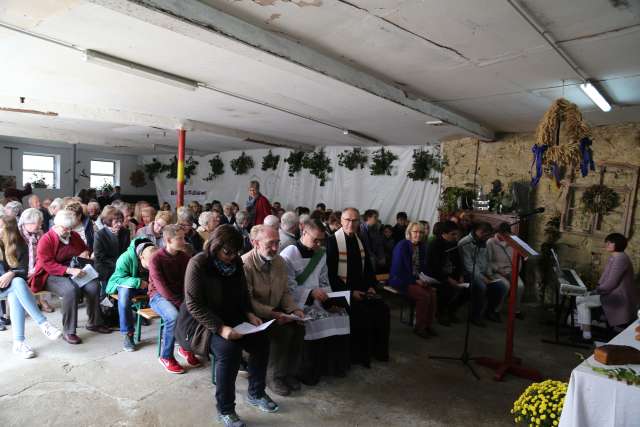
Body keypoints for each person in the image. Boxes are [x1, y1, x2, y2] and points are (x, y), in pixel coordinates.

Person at [175, 225, 278, 427]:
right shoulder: (199, 263)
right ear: (215, 245)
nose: (231, 257)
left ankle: (256, 393)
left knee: (261, 340)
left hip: (232, 315)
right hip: (202, 322)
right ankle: (226, 409)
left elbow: (242, 294)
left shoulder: (236, 263)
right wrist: (221, 328)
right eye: (227, 252)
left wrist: (249, 314)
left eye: (235, 252)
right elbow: (194, 304)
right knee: (229, 351)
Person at [281, 218, 350, 385]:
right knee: (315, 321)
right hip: (297, 302)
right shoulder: (288, 254)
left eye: (321, 240)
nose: (318, 244)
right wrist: (310, 292)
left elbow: (324, 279)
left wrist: (330, 301)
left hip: (319, 298)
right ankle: (308, 372)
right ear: (304, 232)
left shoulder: (321, 253)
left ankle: (331, 367)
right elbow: (286, 286)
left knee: (341, 315)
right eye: (315, 240)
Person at [29, 210, 111, 344]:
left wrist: (85, 253)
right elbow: (47, 264)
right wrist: (69, 270)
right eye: (65, 228)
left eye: (70, 228)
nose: (68, 231)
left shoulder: (73, 235)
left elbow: (84, 249)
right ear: (56, 225)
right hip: (49, 274)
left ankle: (94, 323)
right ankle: (69, 331)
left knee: (94, 285)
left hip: (73, 271)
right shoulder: (47, 239)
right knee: (70, 290)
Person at [243, 225, 305, 396]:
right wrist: (273, 313)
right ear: (255, 243)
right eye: (270, 244)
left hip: (275, 311)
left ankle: (289, 373)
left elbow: (284, 292)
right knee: (282, 333)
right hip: (253, 315)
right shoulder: (245, 264)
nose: (276, 248)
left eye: (277, 243)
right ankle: (273, 377)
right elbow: (248, 301)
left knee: (299, 327)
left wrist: (294, 309)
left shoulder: (279, 261)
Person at [326, 207, 390, 367]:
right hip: (341, 292)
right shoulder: (332, 242)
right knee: (362, 313)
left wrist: (371, 286)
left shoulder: (360, 240)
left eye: (355, 220)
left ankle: (378, 351)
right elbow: (330, 276)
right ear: (341, 221)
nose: (351, 223)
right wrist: (350, 292)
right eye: (348, 220)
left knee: (383, 309)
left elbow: (368, 268)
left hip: (361, 289)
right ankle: (359, 356)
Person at [0, 215, 62, 357]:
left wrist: (11, 273)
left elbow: (22, 270)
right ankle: (43, 324)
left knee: (17, 287)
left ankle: (19, 343)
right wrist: (12, 273)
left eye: (2, 227)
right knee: (17, 285)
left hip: (9, 285)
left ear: (9, 229)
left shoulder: (18, 243)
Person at [148, 224, 198, 373]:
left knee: (197, 311)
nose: (184, 241)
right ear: (168, 240)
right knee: (174, 316)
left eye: (184, 237)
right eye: (180, 239)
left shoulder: (184, 257)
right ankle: (166, 356)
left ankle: (185, 348)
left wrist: (189, 301)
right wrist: (182, 304)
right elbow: (162, 288)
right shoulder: (155, 258)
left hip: (178, 296)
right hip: (158, 297)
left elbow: (189, 281)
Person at [576, 233, 637, 341]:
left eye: (611, 242)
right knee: (579, 298)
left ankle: (586, 335)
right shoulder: (615, 257)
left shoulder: (620, 259)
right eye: (607, 241)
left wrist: (596, 291)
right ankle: (583, 329)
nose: (607, 244)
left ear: (618, 244)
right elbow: (605, 278)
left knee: (583, 302)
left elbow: (611, 283)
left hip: (618, 297)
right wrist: (596, 289)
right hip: (611, 293)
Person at [107, 238, 157, 351]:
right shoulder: (125, 258)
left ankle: (170, 329)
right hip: (128, 285)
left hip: (149, 285)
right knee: (123, 299)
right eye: (149, 265)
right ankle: (128, 334)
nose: (151, 268)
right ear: (141, 257)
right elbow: (118, 279)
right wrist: (138, 282)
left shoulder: (155, 254)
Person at [389, 222, 437, 338]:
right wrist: (415, 281)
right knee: (424, 296)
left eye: (421, 232)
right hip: (400, 280)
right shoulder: (402, 246)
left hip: (416, 279)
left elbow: (422, 268)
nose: (418, 235)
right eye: (415, 232)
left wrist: (425, 279)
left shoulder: (421, 246)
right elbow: (398, 271)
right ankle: (419, 328)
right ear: (409, 233)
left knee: (433, 293)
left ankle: (427, 325)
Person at [458, 222, 508, 327]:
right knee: (481, 286)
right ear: (479, 232)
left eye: (489, 235)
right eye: (486, 235)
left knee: (501, 286)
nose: (488, 237)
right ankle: (475, 316)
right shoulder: (465, 242)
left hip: (482, 273)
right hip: (467, 273)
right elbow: (469, 265)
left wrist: (489, 274)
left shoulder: (483, 242)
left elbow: (486, 261)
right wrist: (482, 278)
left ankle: (489, 311)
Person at [425, 220, 466, 326]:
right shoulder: (434, 245)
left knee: (468, 289)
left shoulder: (453, 244)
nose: (456, 236)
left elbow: (459, 262)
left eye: (456, 234)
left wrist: (460, 275)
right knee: (447, 289)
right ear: (444, 234)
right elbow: (434, 267)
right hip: (435, 275)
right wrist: (448, 279)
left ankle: (451, 311)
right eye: (453, 234)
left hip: (450, 273)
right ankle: (440, 313)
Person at [18, 208, 54, 313]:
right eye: (38, 224)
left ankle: (43, 301)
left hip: (36, 265)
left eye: (40, 223)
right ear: (27, 223)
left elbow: (43, 255)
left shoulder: (40, 233)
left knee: (45, 271)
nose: (40, 226)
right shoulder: (16, 234)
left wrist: (35, 269)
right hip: (20, 267)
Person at [486, 222, 526, 318]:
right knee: (505, 285)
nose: (505, 236)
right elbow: (488, 261)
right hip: (497, 272)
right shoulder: (490, 242)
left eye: (506, 234)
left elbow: (519, 260)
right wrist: (498, 270)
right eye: (502, 234)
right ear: (498, 232)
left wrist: (516, 271)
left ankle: (516, 310)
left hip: (511, 271)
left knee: (520, 286)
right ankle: (495, 310)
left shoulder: (513, 242)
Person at [93, 207, 131, 292]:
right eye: (116, 222)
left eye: (121, 221)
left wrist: (123, 264)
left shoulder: (125, 232)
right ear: (109, 222)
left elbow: (127, 251)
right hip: (105, 265)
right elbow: (99, 256)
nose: (120, 224)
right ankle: (105, 298)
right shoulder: (100, 235)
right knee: (108, 289)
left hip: (121, 264)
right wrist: (117, 265)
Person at [359, 209, 386, 273]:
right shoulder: (360, 229)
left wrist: (381, 256)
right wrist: (375, 257)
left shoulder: (375, 229)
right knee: (372, 260)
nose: (377, 219)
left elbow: (379, 244)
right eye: (375, 217)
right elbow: (366, 247)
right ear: (368, 218)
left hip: (374, 254)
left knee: (383, 260)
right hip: (364, 255)